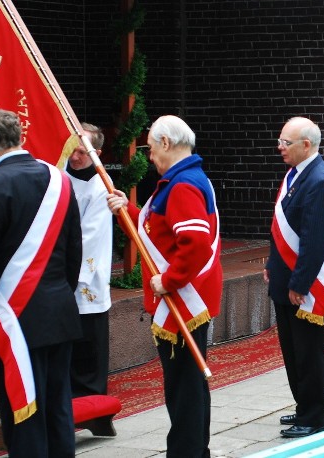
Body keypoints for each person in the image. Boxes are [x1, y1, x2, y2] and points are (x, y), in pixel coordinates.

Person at [106, 115, 222, 457]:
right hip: (187, 298)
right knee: (189, 385)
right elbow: (158, 234)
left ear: (167, 144)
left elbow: (195, 244)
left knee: (184, 388)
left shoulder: (182, 185)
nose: (150, 154)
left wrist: (168, 281)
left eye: (152, 147)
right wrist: (125, 209)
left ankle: (186, 451)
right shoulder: (183, 179)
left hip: (182, 300)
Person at [0, 108, 82, 457]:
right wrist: (58, 294)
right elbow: (75, 251)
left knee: (23, 412)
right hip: (59, 312)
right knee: (58, 408)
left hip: (14, 320)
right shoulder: (59, 179)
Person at [265, 117, 324, 438]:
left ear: (306, 145)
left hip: (302, 286)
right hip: (287, 278)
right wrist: (272, 263)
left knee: (307, 352)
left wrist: (300, 284)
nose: (280, 148)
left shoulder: (319, 180)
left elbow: (314, 240)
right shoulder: (297, 174)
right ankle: (307, 406)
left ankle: (313, 417)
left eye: (286, 143)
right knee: (293, 351)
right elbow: (282, 226)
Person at [67, 122, 113, 397]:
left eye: (82, 152)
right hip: (61, 269)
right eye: (72, 150)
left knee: (88, 339)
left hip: (84, 273)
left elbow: (89, 236)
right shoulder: (58, 176)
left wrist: (67, 268)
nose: (74, 157)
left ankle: (91, 395)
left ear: (96, 153)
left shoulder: (100, 186)